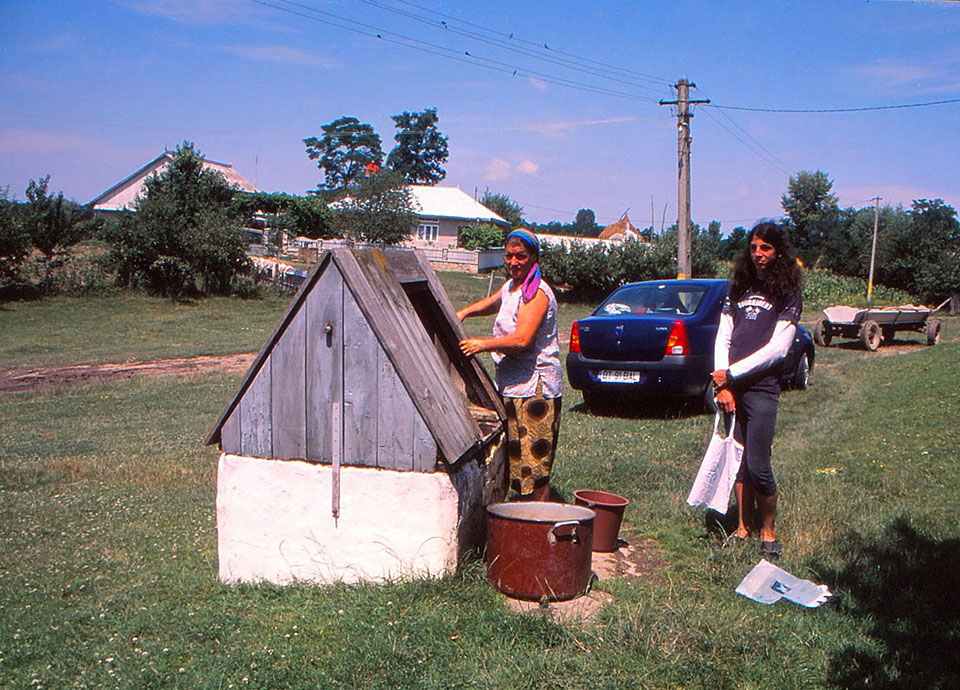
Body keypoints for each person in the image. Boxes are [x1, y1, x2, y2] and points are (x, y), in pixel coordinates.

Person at [711, 221, 804, 559]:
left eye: (765, 248)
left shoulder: (787, 293)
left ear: (778, 251)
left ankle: (769, 533)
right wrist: (723, 382)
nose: (758, 254)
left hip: (763, 389)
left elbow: (778, 349)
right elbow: (724, 335)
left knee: (759, 463)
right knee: (738, 461)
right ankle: (742, 527)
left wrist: (731, 373)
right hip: (732, 388)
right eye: (753, 247)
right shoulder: (738, 287)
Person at [458, 229, 562, 501]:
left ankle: (539, 521)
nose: (514, 262)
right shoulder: (512, 286)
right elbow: (493, 303)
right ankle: (518, 516)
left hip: (536, 388)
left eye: (521, 256)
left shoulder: (537, 293)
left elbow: (523, 339)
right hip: (514, 383)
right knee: (515, 459)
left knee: (535, 464)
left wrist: (483, 344)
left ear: (533, 258)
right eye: (509, 256)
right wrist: (465, 311)